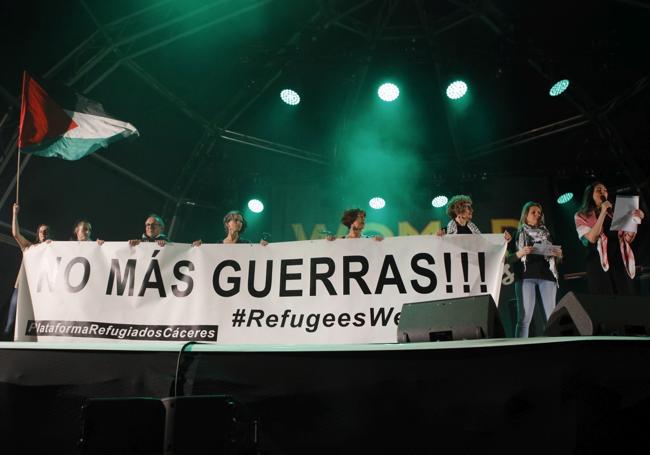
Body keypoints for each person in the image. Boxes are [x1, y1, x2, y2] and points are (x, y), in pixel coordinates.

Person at [574, 182, 644, 295]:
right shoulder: (581, 215)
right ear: (590, 195)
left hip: (619, 260)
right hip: (598, 263)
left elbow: (627, 239)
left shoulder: (614, 214)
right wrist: (602, 212)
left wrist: (635, 220)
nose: (603, 192)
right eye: (599, 190)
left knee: (625, 296)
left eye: (605, 190)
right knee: (605, 300)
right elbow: (592, 238)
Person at [508, 202, 562, 338]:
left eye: (539, 213)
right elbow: (508, 259)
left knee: (550, 318)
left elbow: (559, 258)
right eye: (533, 212)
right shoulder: (517, 234)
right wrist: (521, 253)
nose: (537, 215)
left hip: (547, 277)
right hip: (525, 276)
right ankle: (519, 350)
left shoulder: (547, 234)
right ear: (525, 215)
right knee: (524, 319)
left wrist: (559, 255)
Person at [4, 203, 51, 339]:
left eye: (46, 231)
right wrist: (15, 214)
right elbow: (15, 234)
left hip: (39, 291)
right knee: (10, 324)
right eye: (42, 231)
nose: (44, 233)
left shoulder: (53, 250)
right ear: (38, 234)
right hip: (21, 287)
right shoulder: (30, 247)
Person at [438, 195, 512, 241]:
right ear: (458, 212)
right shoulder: (445, 231)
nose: (472, 210)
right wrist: (439, 237)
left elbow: (486, 245)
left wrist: (503, 240)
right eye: (468, 208)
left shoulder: (473, 229)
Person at [193, 210, 268, 246]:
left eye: (241, 221)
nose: (239, 223)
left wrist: (261, 247)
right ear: (227, 224)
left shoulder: (246, 243)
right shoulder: (218, 244)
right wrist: (198, 247)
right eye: (235, 220)